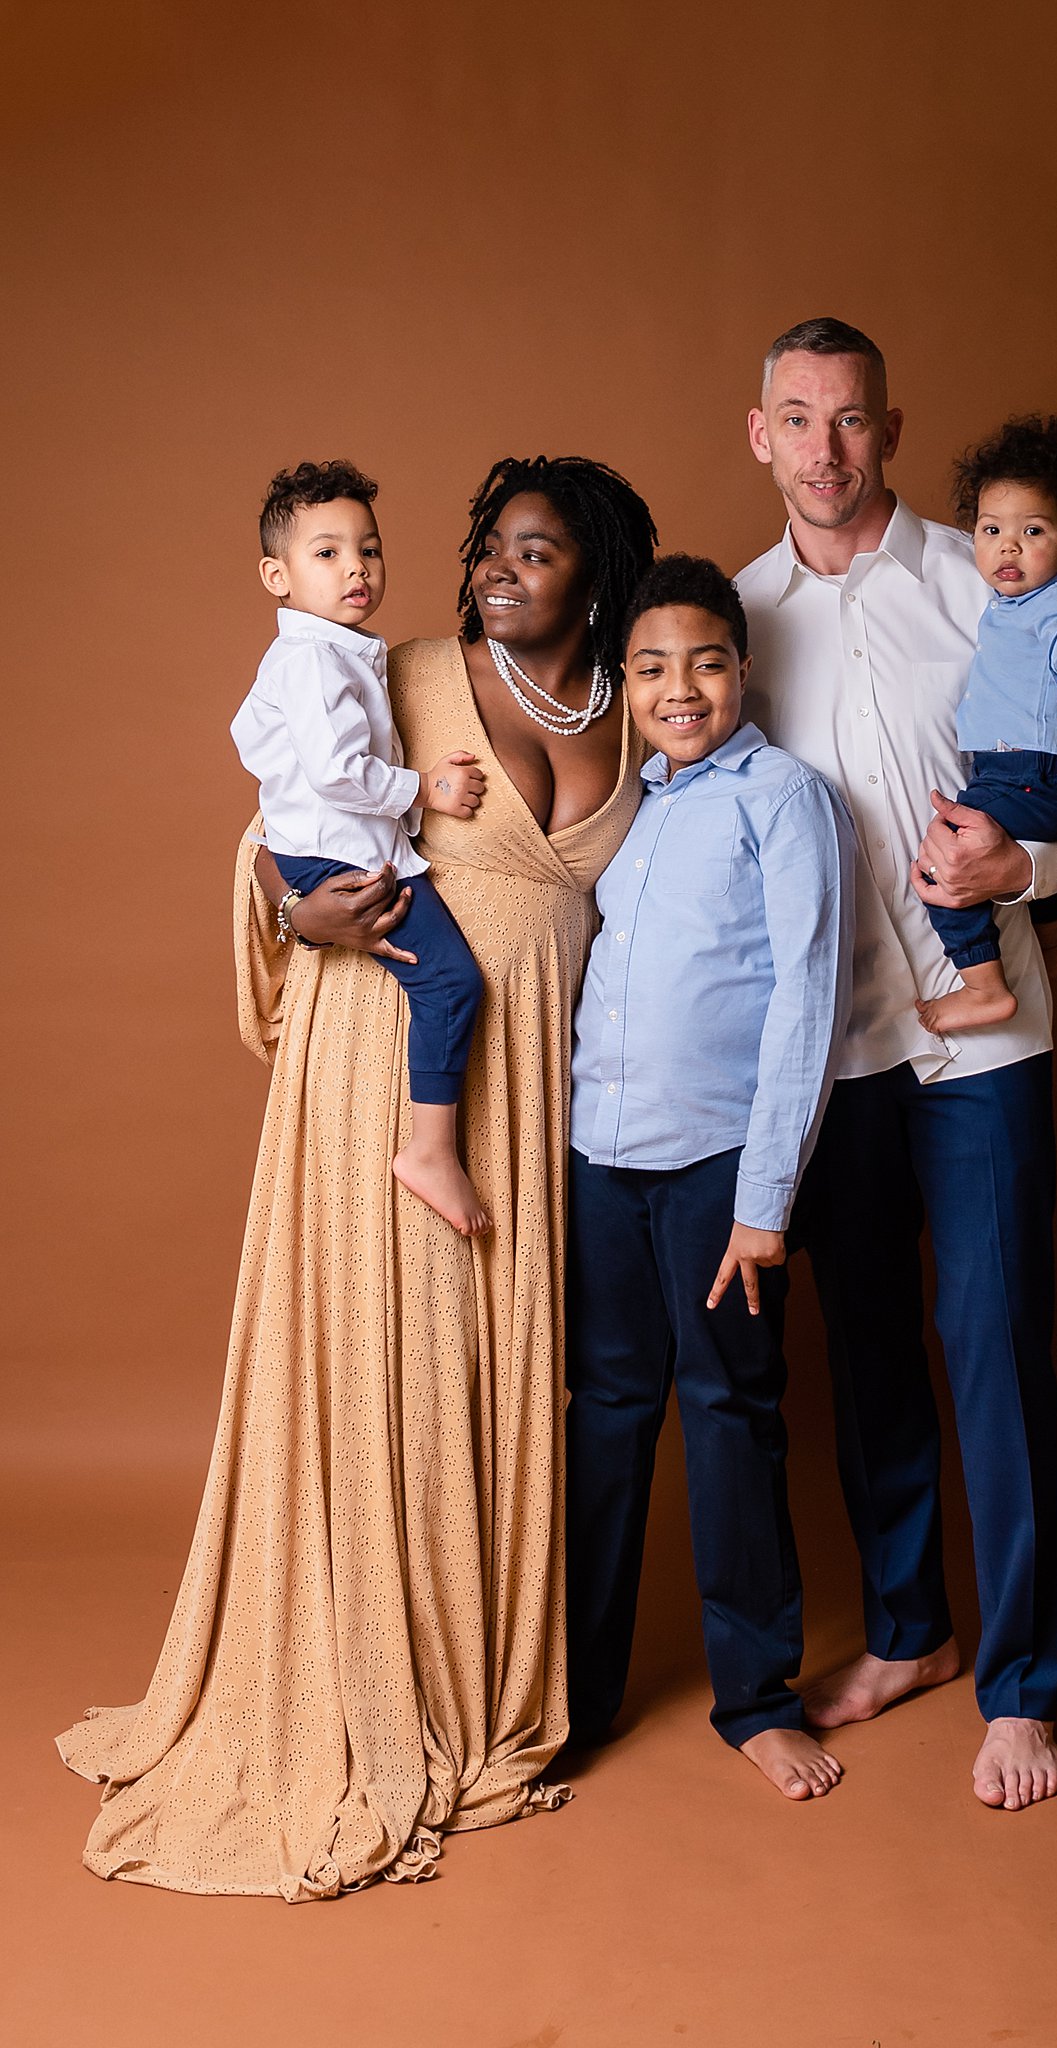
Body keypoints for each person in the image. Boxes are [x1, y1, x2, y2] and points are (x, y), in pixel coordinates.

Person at [57, 455, 658, 1898]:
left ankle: (471, 1684)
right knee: (376, 1356)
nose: (502, 571)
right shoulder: (394, 666)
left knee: (492, 1368)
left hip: (532, 1091)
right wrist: (291, 901)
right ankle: (366, 1683)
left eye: (538, 551)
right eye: (488, 548)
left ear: (597, 574)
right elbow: (282, 813)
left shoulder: (644, 710)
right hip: (383, 1060)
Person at [735, 316, 1057, 1812]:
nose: (824, 448)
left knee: (992, 1344)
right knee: (870, 1354)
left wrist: (1021, 866)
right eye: (797, 418)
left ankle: (1021, 1687)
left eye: (850, 420)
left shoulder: (989, 575)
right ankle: (908, 1631)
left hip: (984, 1039)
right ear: (757, 434)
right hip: (830, 1049)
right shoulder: (740, 613)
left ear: (889, 434)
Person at [564, 555, 855, 1801]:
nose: (679, 687)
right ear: (622, 685)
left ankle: (755, 1695)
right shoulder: (628, 806)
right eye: (649, 667)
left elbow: (808, 993)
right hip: (599, 1159)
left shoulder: (782, 797)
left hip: (716, 1167)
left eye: (705, 661)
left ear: (742, 668)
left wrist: (762, 1199)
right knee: (607, 1414)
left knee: (729, 1412)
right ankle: (571, 1691)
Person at [231, 458, 490, 1234]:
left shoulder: (332, 652)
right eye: (326, 553)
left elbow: (251, 733)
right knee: (450, 985)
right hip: (336, 859)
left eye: (368, 549)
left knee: (438, 984)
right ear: (276, 575)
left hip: (332, 846)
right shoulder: (312, 658)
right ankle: (429, 1151)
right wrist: (424, 791)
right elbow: (340, 771)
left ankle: (428, 1143)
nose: (355, 568)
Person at [915, 415, 1057, 1036]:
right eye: (992, 530)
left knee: (941, 864)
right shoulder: (1012, 603)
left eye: (1033, 531)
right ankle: (1052, 941)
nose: (1008, 546)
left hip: (1033, 771)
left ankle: (984, 987)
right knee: (1019, 851)